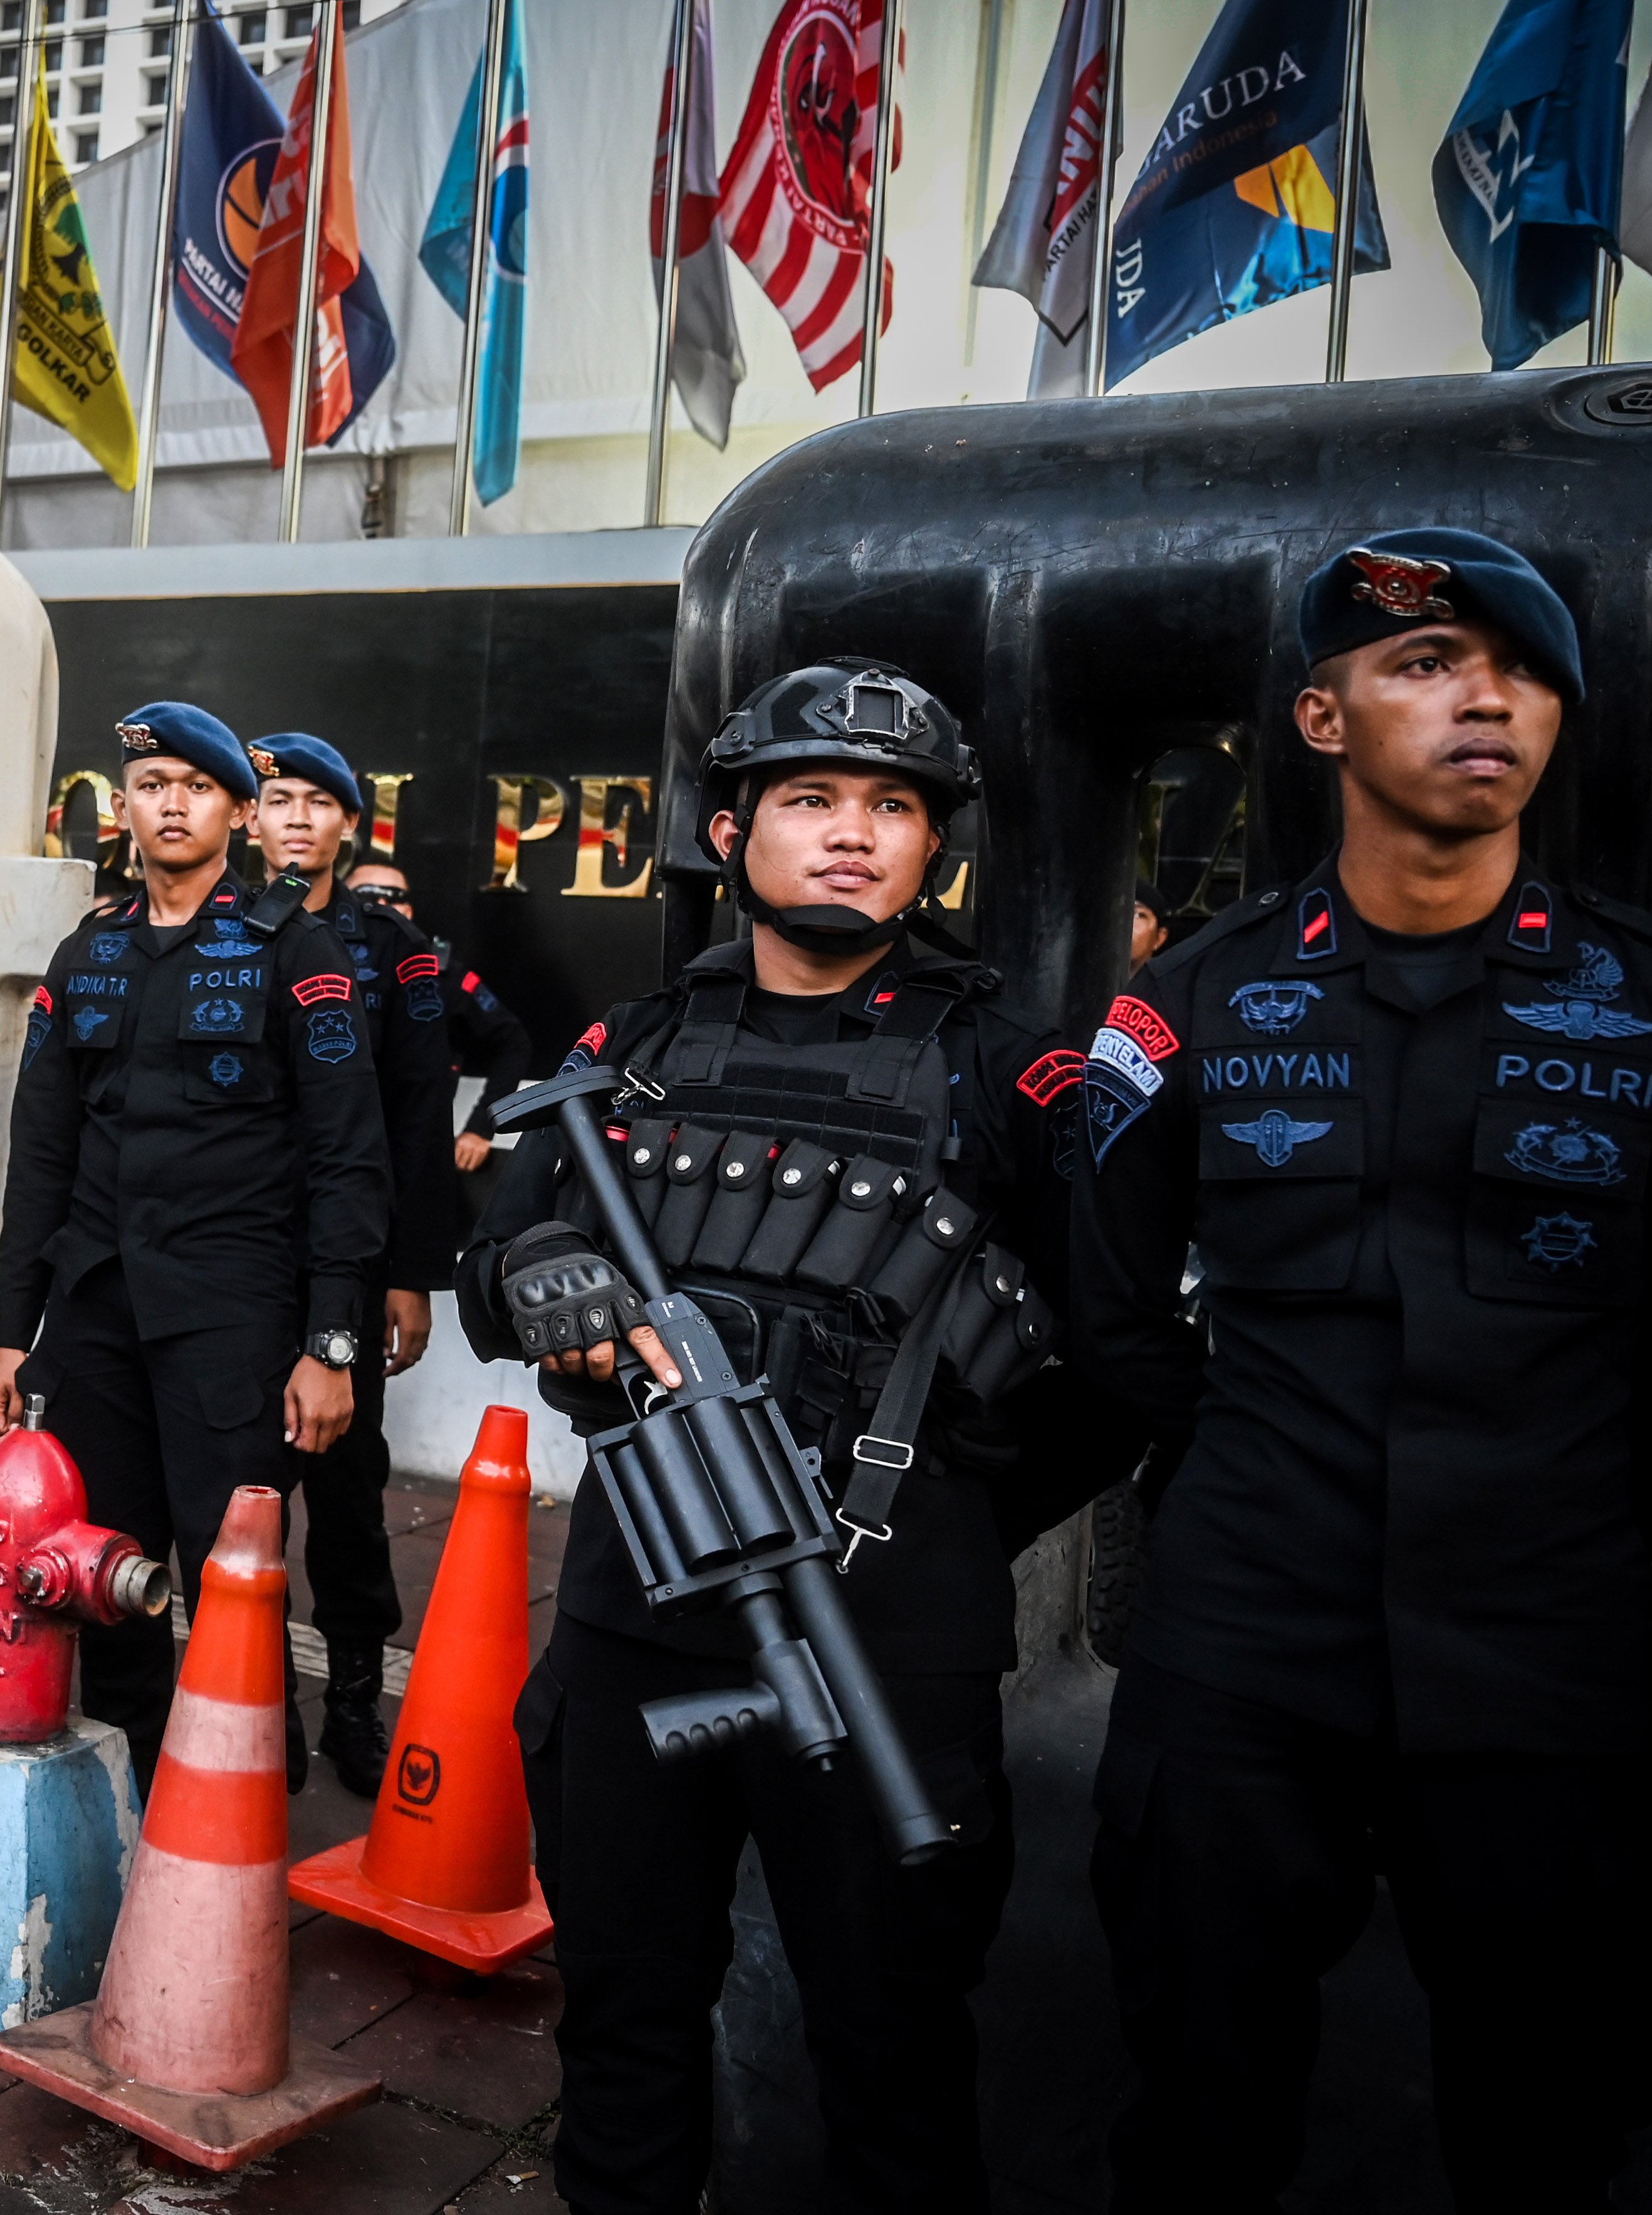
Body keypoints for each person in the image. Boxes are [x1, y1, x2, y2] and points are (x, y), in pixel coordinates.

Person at [1068, 530, 1652, 2213]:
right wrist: (1265, 1486)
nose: (1487, 698)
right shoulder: (1185, 1010)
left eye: (1525, 672)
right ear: (1322, 722)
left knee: (1548, 2113)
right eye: (1425, 664)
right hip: (1246, 1652)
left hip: (1536, 1660)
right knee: (1196, 2091)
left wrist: (1549, 1524)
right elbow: (1115, 1319)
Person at [460, 660, 1079, 2215]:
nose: (851, 835)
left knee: (893, 2051)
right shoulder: (632, 1046)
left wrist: (933, 1521)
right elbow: (492, 1264)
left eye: (892, 807)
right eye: (809, 800)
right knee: (620, 2028)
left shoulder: (1012, 1068)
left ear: (935, 848)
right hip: (637, 1625)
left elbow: (1115, 1363)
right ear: (730, 830)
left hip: (883, 1648)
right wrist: (535, 1271)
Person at [0, 701, 392, 1786]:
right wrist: (8, 1332)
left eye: (194, 787)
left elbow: (347, 1158)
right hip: (96, 1316)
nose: (170, 803)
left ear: (238, 812)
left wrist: (331, 1342)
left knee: (229, 1578)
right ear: (124, 805)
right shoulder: (90, 949)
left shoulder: (293, 951)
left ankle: (247, 1784)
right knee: (107, 1574)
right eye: (151, 784)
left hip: (232, 1318)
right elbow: (41, 1155)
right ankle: (129, 1791)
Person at [244, 734, 456, 1796]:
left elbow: (418, 1120)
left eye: (315, 802)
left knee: (348, 1490)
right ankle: (260, 1707)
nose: (293, 819)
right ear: (250, 816)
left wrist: (410, 1274)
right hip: (237, 1253)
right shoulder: (213, 929)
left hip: (348, 1258)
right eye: (275, 799)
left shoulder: (395, 948)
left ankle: (354, 1704)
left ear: (346, 826)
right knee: (240, 1489)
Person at [344, 854, 536, 1180]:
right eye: (365, 895)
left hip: (411, 1157)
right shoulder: (308, 964)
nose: (380, 904)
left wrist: (481, 1128)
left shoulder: (442, 977)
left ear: (408, 911)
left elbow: (513, 1043)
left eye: (393, 897)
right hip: (326, 1148)